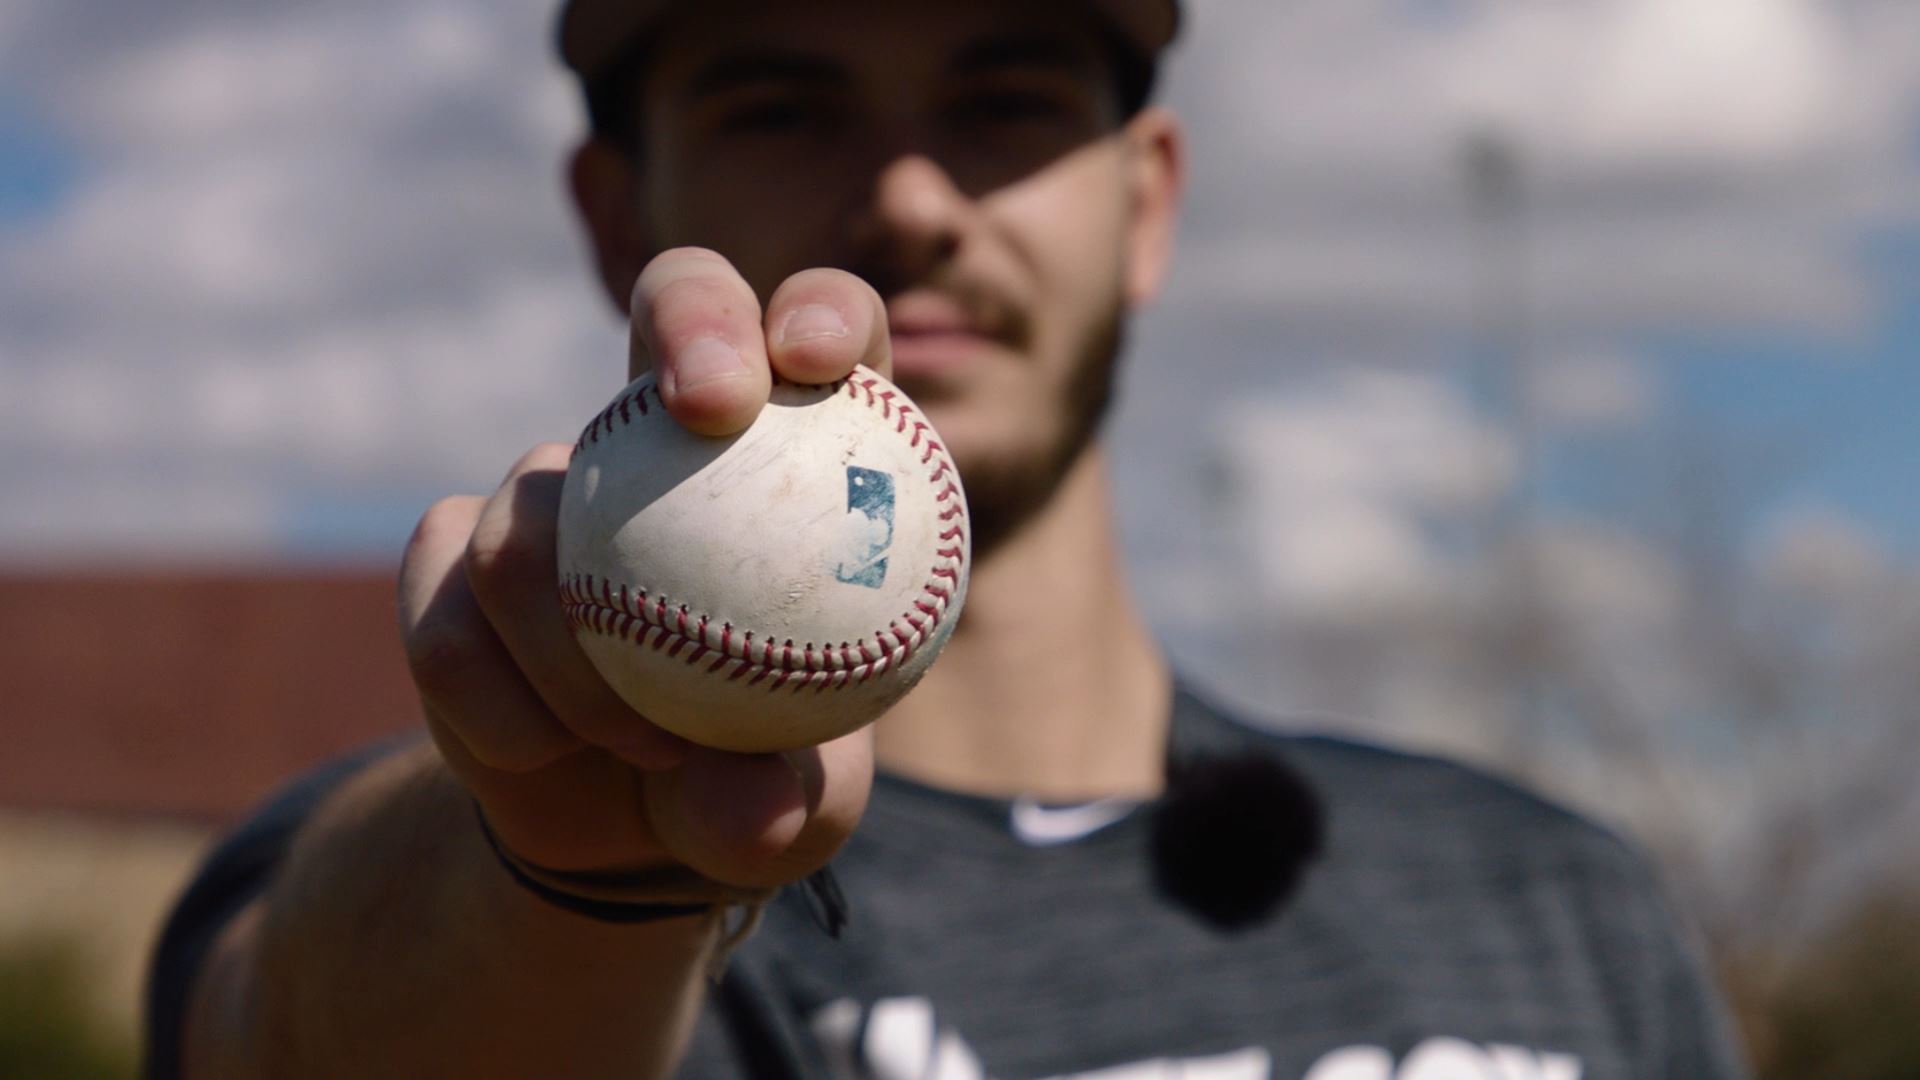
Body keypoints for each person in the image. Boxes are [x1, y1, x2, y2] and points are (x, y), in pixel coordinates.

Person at [145, 0, 1750, 1077]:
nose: (911, 197)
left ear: (1151, 202)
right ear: (617, 216)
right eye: (784, 104)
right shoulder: (504, 856)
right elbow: (294, 1028)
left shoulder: (1553, 904)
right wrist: (575, 865)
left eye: (1004, 99)